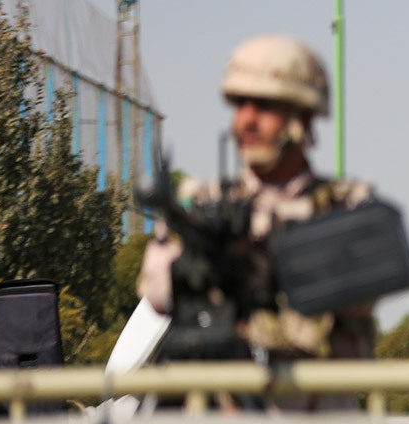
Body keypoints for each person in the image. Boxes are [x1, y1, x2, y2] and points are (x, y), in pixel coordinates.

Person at [135, 35, 378, 365]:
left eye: (264, 106)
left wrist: (266, 258)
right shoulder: (201, 203)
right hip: (218, 392)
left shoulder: (346, 204)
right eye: (240, 105)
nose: (247, 120)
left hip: (315, 394)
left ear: (304, 116)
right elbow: (156, 292)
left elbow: (360, 295)